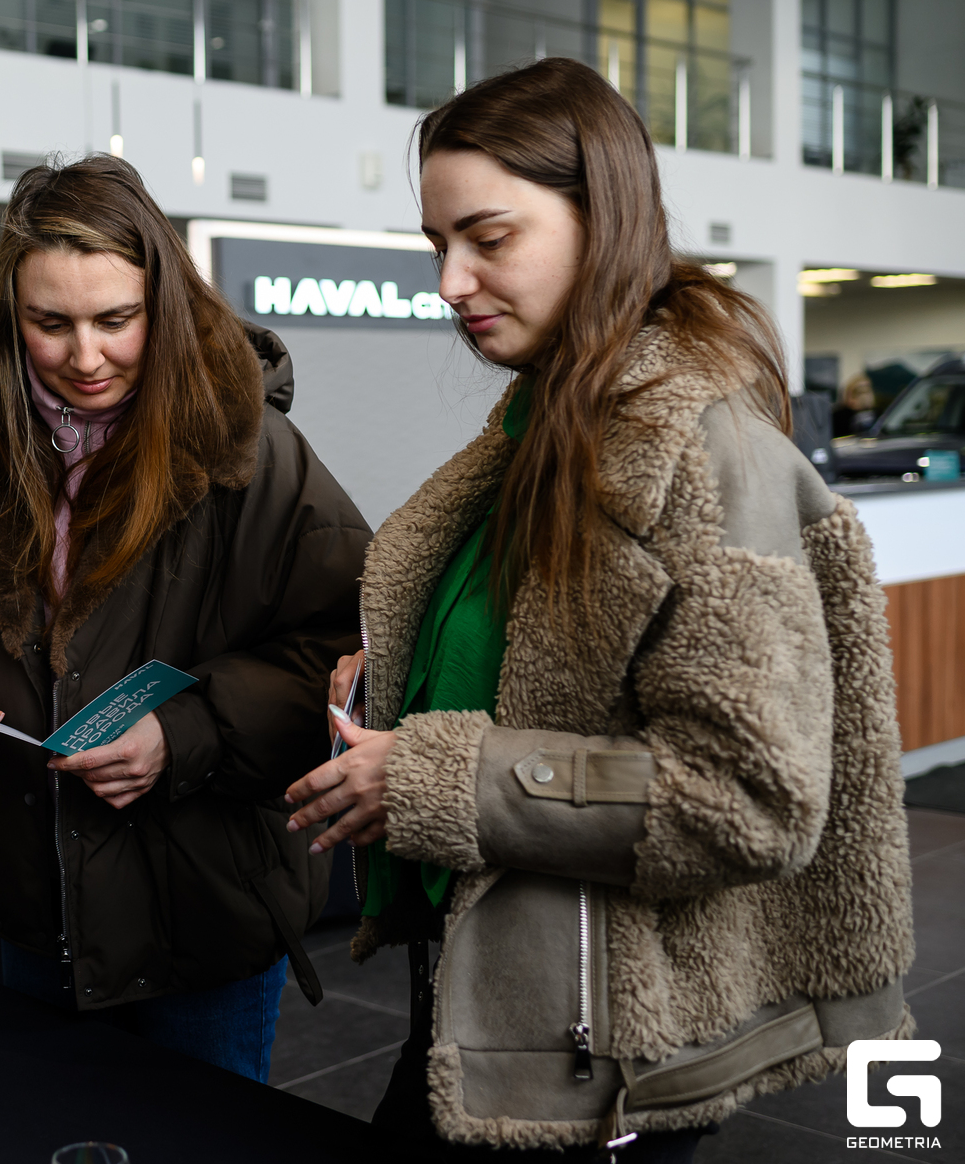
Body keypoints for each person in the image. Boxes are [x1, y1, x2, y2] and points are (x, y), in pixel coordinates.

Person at [283, 58, 914, 1160]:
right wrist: (398, 679)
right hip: (498, 995)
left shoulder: (704, 453)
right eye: (437, 245)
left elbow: (752, 795)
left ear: (604, 220)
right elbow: (533, 671)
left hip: (608, 1040)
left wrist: (434, 776)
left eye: (488, 238)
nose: (450, 281)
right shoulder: (540, 434)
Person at [0, 155, 371, 1081]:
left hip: (204, 909)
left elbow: (342, 651)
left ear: (164, 306)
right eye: (50, 324)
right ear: (12, 315)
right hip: (32, 895)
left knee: (201, 1144)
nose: (85, 356)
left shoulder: (253, 451)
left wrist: (182, 734)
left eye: (115, 320)